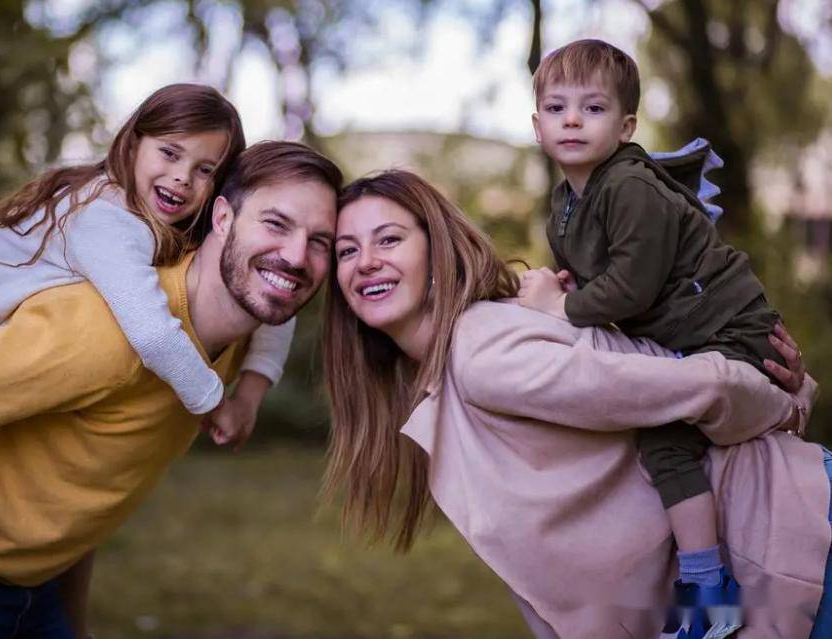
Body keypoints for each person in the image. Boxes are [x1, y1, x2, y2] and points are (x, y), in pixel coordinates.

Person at [0, 140, 342, 639]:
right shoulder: (106, 333)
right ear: (224, 218)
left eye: (319, 240)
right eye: (276, 224)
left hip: (34, 583)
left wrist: (250, 396)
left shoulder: (239, 325)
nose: (297, 256)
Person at [322, 169, 826, 639]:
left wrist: (790, 406)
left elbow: (696, 385)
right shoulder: (453, 372)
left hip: (791, 536)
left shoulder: (483, 353)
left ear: (437, 251)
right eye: (347, 250)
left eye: (389, 239)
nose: (366, 261)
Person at [519, 38, 792, 633]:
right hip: (684, 338)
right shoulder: (565, 206)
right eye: (557, 107)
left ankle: (707, 589)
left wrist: (561, 305)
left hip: (729, 328)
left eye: (593, 108)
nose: (572, 119)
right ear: (536, 125)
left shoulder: (630, 187)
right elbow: (604, 276)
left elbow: (631, 290)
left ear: (625, 126)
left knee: (664, 439)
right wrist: (566, 287)